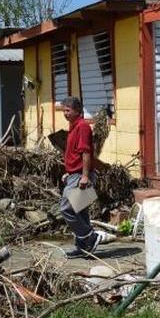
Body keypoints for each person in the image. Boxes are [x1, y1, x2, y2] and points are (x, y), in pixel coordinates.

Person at [59, 96, 106, 257]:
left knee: (66, 209)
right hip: (74, 174)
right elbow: (75, 154)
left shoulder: (83, 127)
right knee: (79, 211)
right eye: (63, 110)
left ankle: (90, 237)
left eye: (68, 110)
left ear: (77, 110)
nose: (65, 113)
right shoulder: (74, 127)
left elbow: (86, 152)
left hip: (81, 176)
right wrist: (69, 171)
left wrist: (84, 176)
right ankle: (83, 248)